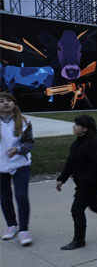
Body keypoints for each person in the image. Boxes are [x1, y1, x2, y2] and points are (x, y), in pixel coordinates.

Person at [56, 115, 97, 250]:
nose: (74, 127)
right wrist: (61, 179)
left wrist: (85, 184)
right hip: (84, 183)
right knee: (95, 205)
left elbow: (95, 165)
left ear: (85, 128)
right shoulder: (77, 142)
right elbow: (70, 162)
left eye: (77, 125)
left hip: (90, 184)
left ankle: (79, 240)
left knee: (76, 210)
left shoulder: (91, 143)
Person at [0, 93, 34, 246]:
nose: (5, 103)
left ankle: (24, 230)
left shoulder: (24, 121)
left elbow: (30, 143)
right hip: (1, 166)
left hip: (21, 164)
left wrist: (19, 149)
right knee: (5, 198)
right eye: (1, 101)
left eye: (9, 100)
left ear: (14, 103)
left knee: (21, 197)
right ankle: (11, 226)